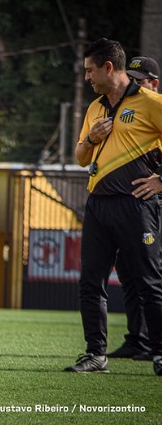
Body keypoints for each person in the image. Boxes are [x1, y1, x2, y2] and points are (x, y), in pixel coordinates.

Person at [65, 38, 162, 376]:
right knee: (90, 283)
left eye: (91, 70)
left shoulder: (152, 102)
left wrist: (161, 181)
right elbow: (79, 158)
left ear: (109, 67)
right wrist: (91, 139)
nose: (87, 77)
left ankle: (160, 354)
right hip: (98, 206)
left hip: (137, 207)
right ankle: (95, 355)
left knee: (149, 282)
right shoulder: (95, 108)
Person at [108, 56, 160, 361]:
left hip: (155, 205)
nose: (135, 83)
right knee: (129, 273)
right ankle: (137, 339)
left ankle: (156, 345)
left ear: (154, 82)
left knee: (152, 276)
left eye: (141, 79)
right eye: (132, 78)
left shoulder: (155, 106)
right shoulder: (126, 108)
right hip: (134, 205)